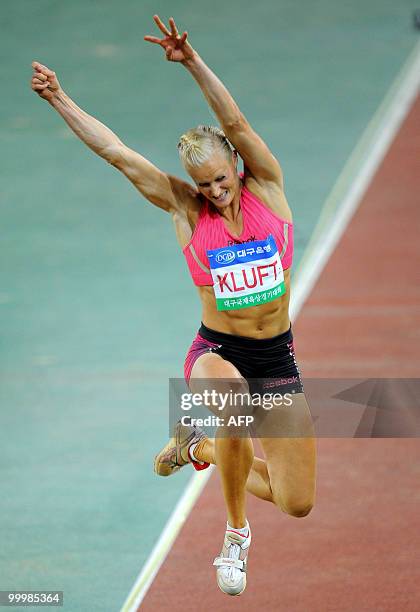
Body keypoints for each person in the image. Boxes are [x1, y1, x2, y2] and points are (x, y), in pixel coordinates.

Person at [31, 14, 316, 597]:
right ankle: (235, 537)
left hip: (277, 357)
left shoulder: (266, 187)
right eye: (202, 184)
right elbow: (116, 152)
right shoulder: (187, 212)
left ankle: (199, 442)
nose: (214, 191)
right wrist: (61, 98)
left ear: (234, 165)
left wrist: (192, 62)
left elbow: (233, 120)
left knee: (298, 502)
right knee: (230, 403)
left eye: (218, 179)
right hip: (217, 351)